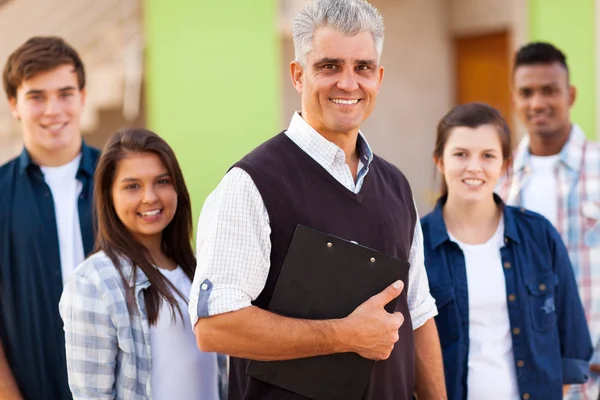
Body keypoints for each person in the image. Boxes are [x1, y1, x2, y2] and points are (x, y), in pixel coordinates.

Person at [189, 0, 446, 399]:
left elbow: (418, 312)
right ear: (298, 74)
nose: (348, 83)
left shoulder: (396, 186)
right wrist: (345, 335)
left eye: (362, 68)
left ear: (378, 77)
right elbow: (214, 325)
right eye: (329, 66)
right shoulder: (252, 183)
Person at [422, 102, 592, 400]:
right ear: (439, 160)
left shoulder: (539, 236)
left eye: (487, 156)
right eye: (461, 154)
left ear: (504, 165)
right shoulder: (416, 245)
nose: (474, 166)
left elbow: (572, 336)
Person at [59, 128, 219, 399]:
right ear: (109, 196)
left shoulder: (197, 270)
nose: (150, 197)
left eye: (162, 181)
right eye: (132, 186)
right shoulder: (93, 282)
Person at [498, 42, 600, 400]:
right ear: (514, 99)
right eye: (527, 92)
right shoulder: (498, 180)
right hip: (525, 379)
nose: (537, 103)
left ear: (570, 94)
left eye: (549, 90)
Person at [0, 36, 99, 400]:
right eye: (36, 96)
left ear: (83, 96)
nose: (52, 109)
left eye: (65, 93)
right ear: (14, 104)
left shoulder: (123, 182)